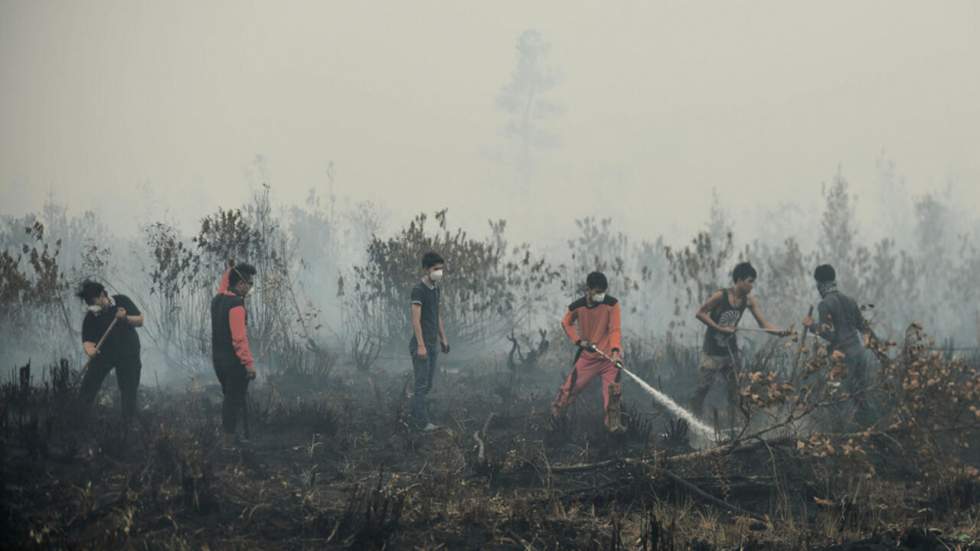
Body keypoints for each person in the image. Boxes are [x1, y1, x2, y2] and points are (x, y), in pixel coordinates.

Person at [691, 262, 789, 421]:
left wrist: (779, 332)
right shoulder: (720, 296)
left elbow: (763, 324)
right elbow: (700, 313)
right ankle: (693, 421)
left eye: (753, 282)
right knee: (702, 389)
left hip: (730, 352)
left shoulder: (749, 301)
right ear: (739, 280)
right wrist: (720, 328)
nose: (752, 286)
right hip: (712, 351)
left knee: (734, 391)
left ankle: (735, 425)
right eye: (750, 281)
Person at [552, 271, 626, 433]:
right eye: (597, 292)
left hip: (609, 360)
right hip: (588, 358)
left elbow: (615, 329)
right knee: (567, 390)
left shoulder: (612, 304)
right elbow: (566, 323)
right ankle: (556, 421)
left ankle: (613, 429)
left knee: (612, 396)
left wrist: (615, 352)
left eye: (603, 292)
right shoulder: (577, 307)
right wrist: (579, 341)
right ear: (589, 290)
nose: (601, 295)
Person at [803, 264, 872, 427]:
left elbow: (830, 334)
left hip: (841, 357)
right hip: (859, 354)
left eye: (817, 284)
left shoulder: (825, 304)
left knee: (837, 399)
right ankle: (868, 429)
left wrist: (811, 325)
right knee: (859, 397)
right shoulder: (850, 300)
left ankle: (841, 433)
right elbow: (864, 328)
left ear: (819, 284)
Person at [76, 280, 145, 427]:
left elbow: (140, 320)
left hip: (128, 353)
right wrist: (90, 351)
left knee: (129, 388)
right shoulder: (91, 316)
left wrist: (125, 318)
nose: (95, 309)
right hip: (104, 356)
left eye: (97, 304)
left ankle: (127, 425)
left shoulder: (122, 301)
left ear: (103, 296)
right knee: (88, 386)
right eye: (92, 306)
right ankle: (78, 420)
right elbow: (87, 342)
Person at [211, 262, 257, 448]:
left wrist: (230, 271)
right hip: (234, 363)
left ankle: (229, 438)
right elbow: (239, 339)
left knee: (229, 399)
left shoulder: (217, 300)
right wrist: (249, 363)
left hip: (218, 362)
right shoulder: (237, 306)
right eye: (250, 284)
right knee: (232, 402)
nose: (250, 288)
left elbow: (224, 286)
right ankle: (228, 444)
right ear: (241, 284)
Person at [409, 251, 450, 431]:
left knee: (428, 384)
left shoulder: (436, 289)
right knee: (421, 384)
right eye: (435, 269)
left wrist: (443, 338)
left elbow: (437, 315)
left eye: (441, 269)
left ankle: (414, 410)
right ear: (426, 269)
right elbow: (415, 319)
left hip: (432, 345)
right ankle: (422, 423)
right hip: (421, 345)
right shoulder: (419, 290)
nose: (439, 272)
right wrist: (421, 346)